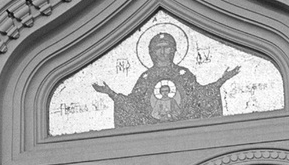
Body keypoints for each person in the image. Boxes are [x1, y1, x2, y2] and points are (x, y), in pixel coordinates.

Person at [93, 31, 240, 127]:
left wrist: (222, 80)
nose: (163, 52)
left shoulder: (183, 73)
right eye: (158, 48)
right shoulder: (146, 77)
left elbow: (200, 95)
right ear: (151, 52)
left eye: (167, 47)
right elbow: (133, 104)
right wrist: (110, 93)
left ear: (174, 50)